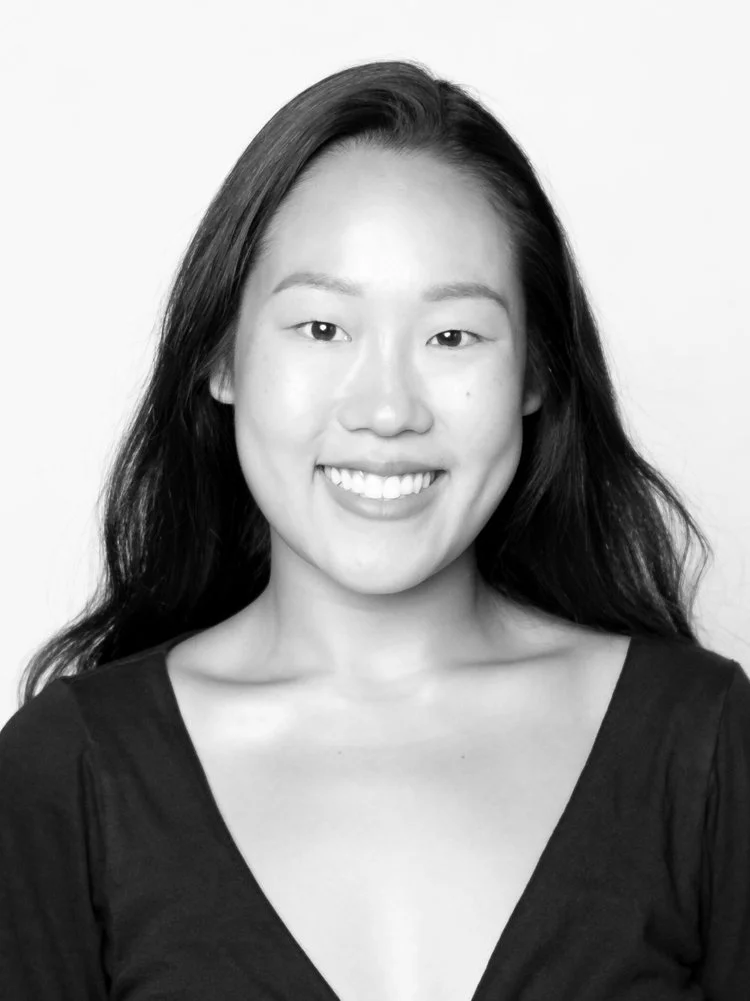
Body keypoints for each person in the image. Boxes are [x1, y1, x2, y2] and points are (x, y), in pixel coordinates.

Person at [1, 58, 748, 1001]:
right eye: (321, 329)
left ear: (536, 377)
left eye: (451, 336)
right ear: (220, 357)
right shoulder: (64, 777)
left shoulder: (704, 744)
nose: (387, 408)